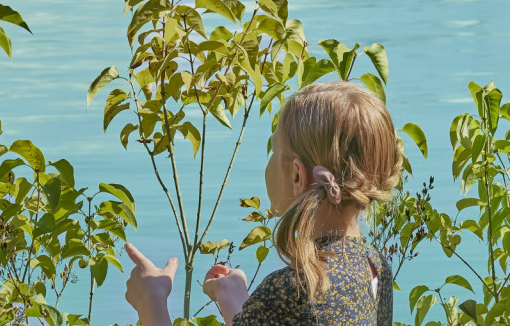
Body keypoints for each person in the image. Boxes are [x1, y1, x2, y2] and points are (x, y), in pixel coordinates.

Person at [123, 80, 403, 326]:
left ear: (297, 176)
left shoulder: (288, 291)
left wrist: (153, 301)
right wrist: (236, 302)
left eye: (274, 149)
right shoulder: (375, 266)